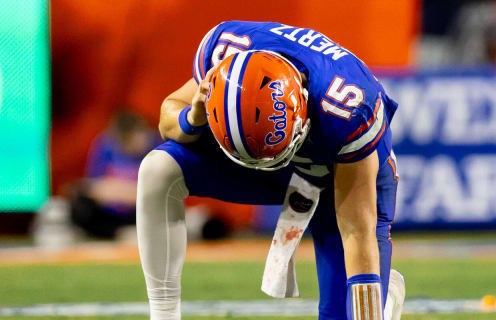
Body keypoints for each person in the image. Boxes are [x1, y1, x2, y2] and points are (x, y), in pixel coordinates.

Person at [136, 21, 404, 320]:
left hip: (337, 177)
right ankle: (162, 315)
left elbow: (358, 233)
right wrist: (193, 116)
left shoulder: (349, 108)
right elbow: (167, 119)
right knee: (157, 169)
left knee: (353, 313)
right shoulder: (226, 55)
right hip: (271, 164)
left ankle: (385, 300)